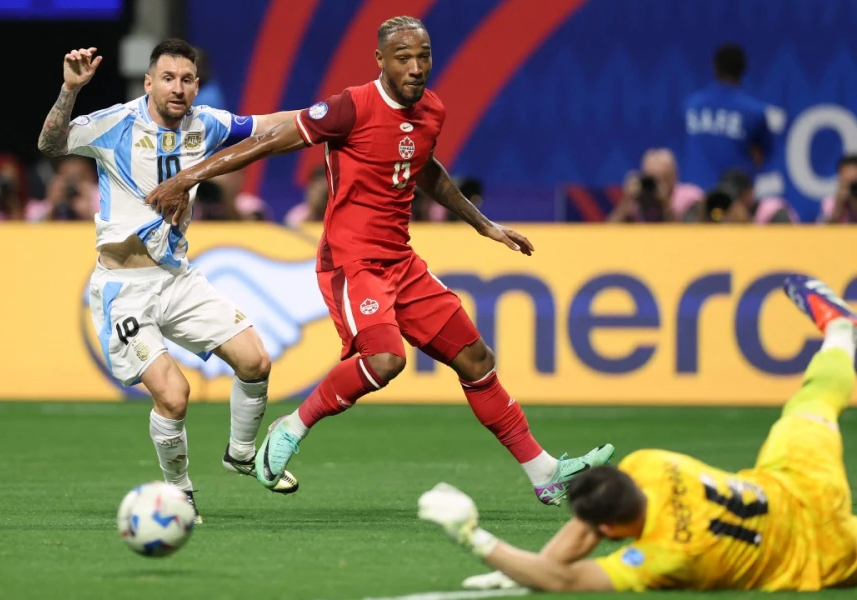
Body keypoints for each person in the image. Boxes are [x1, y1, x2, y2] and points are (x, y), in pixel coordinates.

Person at [145, 16, 614, 506]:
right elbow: (267, 142)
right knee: (385, 359)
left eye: (424, 55)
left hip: (401, 262)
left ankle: (544, 472)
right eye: (403, 57)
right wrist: (188, 178)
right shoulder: (350, 107)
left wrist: (482, 224)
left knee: (477, 360)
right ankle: (289, 430)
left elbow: (425, 168)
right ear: (381, 61)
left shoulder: (432, 110)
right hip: (352, 264)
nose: (416, 67)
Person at [418, 275, 857, 593]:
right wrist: (528, 566)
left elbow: (566, 580)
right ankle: (839, 330)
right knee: (812, 402)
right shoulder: (652, 464)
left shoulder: (667, 558)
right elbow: (592, 522)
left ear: (608, 531)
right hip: (795, 480)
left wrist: (476, 538)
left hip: (821, 553)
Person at [36, 40, 301, 522]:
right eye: (168, 78)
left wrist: (336, 113)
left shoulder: (208, 124)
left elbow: (271, 124)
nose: (177, 88)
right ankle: (179, 492)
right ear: (149, 82)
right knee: (174, 396)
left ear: (196, 85)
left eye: (186, 79)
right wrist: (69, 90)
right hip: (125, 289)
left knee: (256, 359)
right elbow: (51, 144)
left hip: (178, 280)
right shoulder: (116, 123)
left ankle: (241, 453)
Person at [682, 44, 774, 190]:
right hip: (733, 199)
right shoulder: (754, 111)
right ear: (743, 70)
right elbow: (760, 156)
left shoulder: (692, 105)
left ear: (714, 67)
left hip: (695, 197)